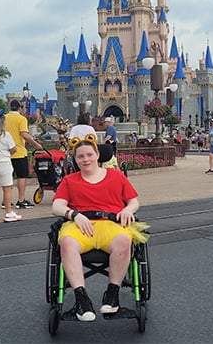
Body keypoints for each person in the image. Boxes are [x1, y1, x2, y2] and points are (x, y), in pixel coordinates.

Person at [51, 134, 148, 322]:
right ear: (75, 159)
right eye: (80, 156)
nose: (85, 159)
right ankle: (82, 300)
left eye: (89, 154)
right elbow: (57, 206)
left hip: (112, 224)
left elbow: (133, 201)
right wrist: (74, 215)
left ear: (97, 155)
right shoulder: (70, 180)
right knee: (67, 242)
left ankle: (112, 295)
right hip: (80, 224)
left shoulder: (116, 176)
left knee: (125, 240)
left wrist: (128, 210)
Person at [4, 100, 43, 210]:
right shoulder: (21, 119)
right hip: (19, 152)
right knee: (21, 176)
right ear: (20, 108)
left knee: (8, 178)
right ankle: (21, 200)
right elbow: (24, 134)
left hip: (6, 153)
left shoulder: (4, 118)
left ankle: (6, 201)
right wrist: (36, 144)